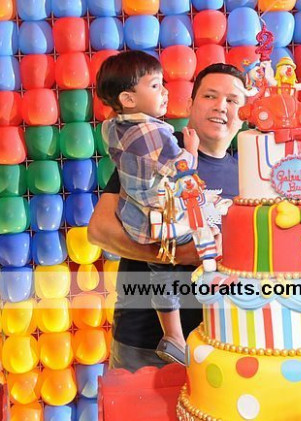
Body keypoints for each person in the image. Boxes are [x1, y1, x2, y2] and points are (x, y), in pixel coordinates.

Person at [88, 63, 246, 371]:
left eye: (232, 100)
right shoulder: (154, 147)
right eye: (210, 96)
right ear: (190, 103)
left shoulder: (247, 172)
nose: (221, 106)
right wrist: (175, 254)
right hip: (145, 345)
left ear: (244, 113)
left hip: (223, 344)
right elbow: (99, 230)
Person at [96, 50, 210, 365]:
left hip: (134, 216)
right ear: (128, 99)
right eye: (156, 86)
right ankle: (175, 333)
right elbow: (182, 170)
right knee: (204, 244)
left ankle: (172, 335)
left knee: (161, 270)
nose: (166, 92)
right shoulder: (155, 133)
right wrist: (191, 150)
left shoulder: (112, 127)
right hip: (158, 219)